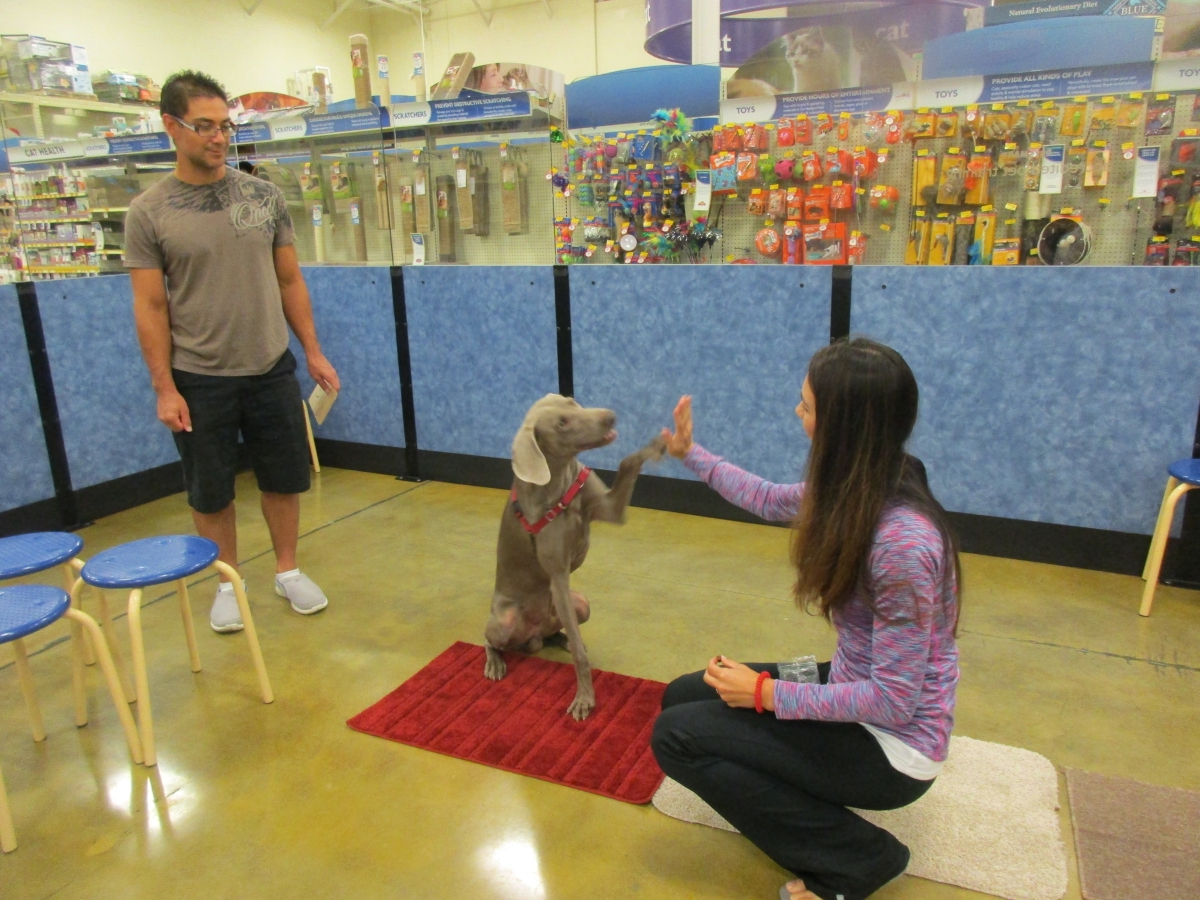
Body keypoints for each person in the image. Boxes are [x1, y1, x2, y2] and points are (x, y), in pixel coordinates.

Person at [651, 337, 961, 900]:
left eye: (808, 405)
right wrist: (690, 453)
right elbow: (769, 498)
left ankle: (857, 860)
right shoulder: (858, 483)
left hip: (893, 746)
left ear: (844, 425)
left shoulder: (902, 543)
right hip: (850, 683)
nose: (798, 412)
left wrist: (767, 694)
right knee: (684, 696)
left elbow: (893, 701)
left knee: (677, 737)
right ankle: (803, 790)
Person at [126, 70, 340, 633]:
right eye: (204, 126)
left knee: (284, 477)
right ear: (171, 126)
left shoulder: (264, 197)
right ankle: (228, 582)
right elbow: (150, 305)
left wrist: (313, 352)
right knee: (211, 488)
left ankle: (288, 571)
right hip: (199, 375)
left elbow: (290, 280)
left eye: (225, 126)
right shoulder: (149, 212)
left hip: (270, 366)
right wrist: (164, 388)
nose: (219, 138)